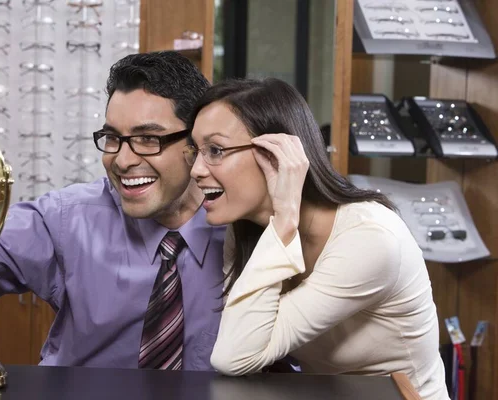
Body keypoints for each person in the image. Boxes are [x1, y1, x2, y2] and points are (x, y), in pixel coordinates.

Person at [0, 51, 225, 370]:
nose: (123, 160)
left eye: (148, 139)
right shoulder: (67, 219)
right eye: (112, 138)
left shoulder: (244, 232)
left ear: (196, 141)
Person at [185, 77, 449, 399]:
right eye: (195, 151)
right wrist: (281, 224)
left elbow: (234, 356)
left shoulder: (370, 239)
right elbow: (240, 348)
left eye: (215, 150)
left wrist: (284, 221)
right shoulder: (246, 231)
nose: (197, 169)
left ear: (276, 155)